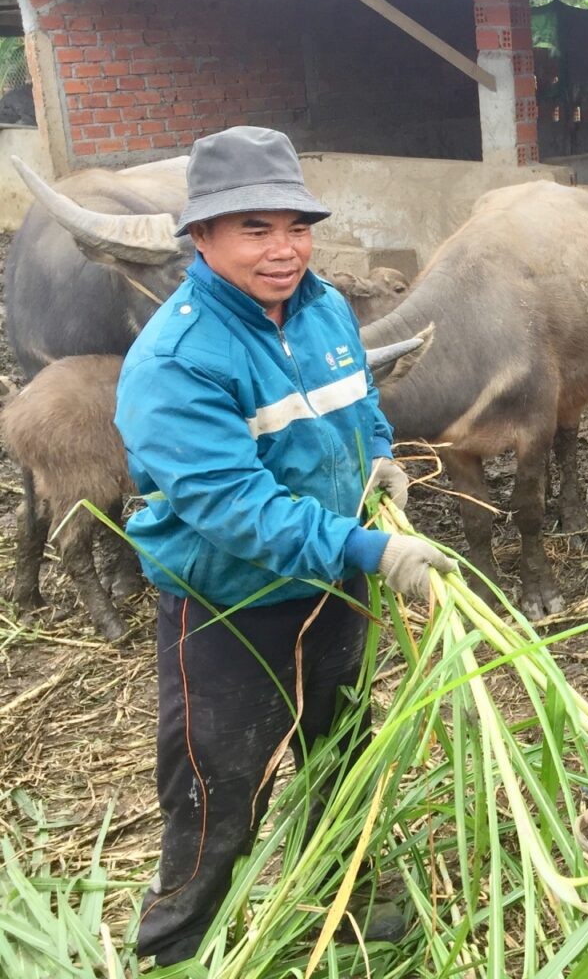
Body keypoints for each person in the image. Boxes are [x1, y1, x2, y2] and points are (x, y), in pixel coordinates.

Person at [114, 126, 456, 966]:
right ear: (202, 236)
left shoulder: (326, 308)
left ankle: (345, 897)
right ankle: (177, 945)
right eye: (254, 229)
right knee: (219, 792)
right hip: (233, 610)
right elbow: (236, 508)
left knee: (343, 753)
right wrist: (371, 552)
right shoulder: (177, 360)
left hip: (332, 591)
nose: (284, 249)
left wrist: (376, 452)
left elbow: (360, 397)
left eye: (296, 227)